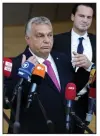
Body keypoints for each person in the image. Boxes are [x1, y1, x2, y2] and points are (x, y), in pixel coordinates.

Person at [4, 16, 82, 134]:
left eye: (50, 35)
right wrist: (22, 74)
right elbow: (6, 103)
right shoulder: (15, 64)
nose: (47, 40)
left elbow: (73, 91)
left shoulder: (63, 59)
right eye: (40, 35)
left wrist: (87, 69)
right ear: (28, 39)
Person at [53, 3, 96, 133]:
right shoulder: (56, 40)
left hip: (84, 103)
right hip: (58, 102)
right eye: (81, 15)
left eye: (89, 17)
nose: (85, 20)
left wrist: (90, 66)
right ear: (72, 17)